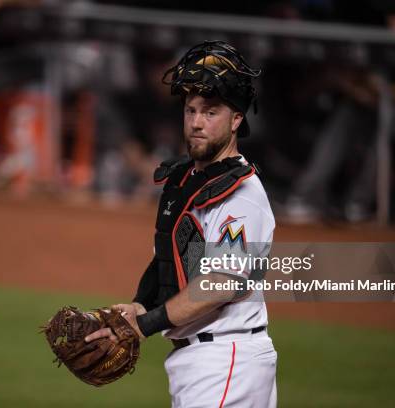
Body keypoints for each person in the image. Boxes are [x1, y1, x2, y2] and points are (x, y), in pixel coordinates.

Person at [86, 41, 277, 407]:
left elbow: (220, 284)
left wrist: (145, 325)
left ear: (236, 119)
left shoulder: (241, 195)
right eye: (190, 110)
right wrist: (139, 306)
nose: (196, 122)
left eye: (210, 112)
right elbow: (169, 261)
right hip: (202, 364)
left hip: (227, 363)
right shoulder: (187, 182)